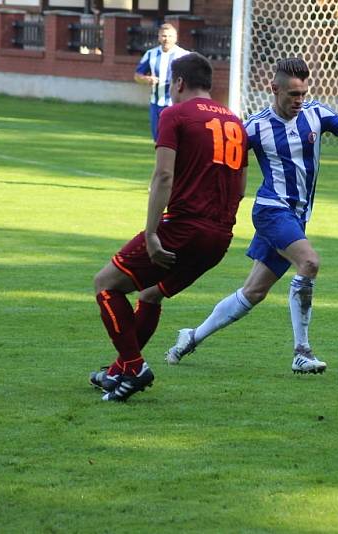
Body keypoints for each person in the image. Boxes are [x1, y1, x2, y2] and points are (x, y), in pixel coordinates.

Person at [165, 57, 338, 373]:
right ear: (274, 89)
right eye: (293, 94)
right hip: (271, 211)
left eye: (303, 93)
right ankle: (302, 351)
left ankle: (191, 337)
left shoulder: (316, 113)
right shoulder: (254, 127)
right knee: (309, 262)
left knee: (253, 292)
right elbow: (226, 165)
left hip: (297, 217)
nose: (299, 100)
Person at [90, 52, 249, 401]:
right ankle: (118, 372)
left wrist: (150, 233)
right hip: (220, 237)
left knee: (105, 284)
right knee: (150, 294)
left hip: (182, 229)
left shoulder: (174, 114)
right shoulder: (236, 121)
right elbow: (241, 186)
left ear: (178, 83)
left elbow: (163, 175)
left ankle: (134, 366)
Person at [134, 23, 189, 141]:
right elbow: (137, 76)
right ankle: (161, 160)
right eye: (164, 36)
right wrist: (146, 79)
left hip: (175, 104)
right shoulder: (150, 54)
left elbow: (192, 77)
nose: (166, 39)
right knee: (158, 139)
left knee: (173, 138)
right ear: (159, 37)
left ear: (175, 38)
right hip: (155, 103)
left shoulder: (184, 55)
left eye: (170, 36)